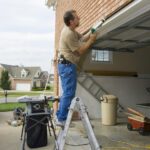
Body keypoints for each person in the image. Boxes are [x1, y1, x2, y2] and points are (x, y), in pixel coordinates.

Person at [55, 10, 97, 126]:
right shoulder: (68, 33)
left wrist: (91, 32)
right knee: (69, 93)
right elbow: (80, 51)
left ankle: (60, 116)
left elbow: (82, 38)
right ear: (71, 21)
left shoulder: (72, 31)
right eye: (77, 18)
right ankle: (61, 119)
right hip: (67, 65)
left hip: (66, 65)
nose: (79, 19)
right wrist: (92, 40)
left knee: (68, 94)